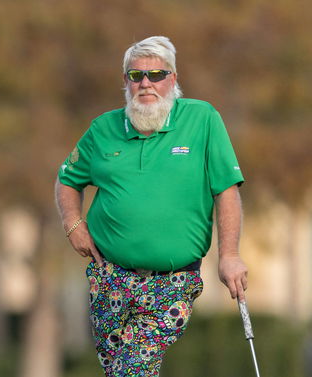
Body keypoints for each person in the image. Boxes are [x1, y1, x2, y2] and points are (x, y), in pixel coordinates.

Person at [54, 36, 247, 376]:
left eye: (156, 75)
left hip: (173, 281)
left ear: (173, 79)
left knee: (134, 367)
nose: (146, 83)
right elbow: (68, 179)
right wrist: (73, 224)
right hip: (109, 276)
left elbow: (226, 191)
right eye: (136, 75)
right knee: (117, 368)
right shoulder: (103, 128)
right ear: (125, 82)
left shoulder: (202, 120)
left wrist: (229, 254)